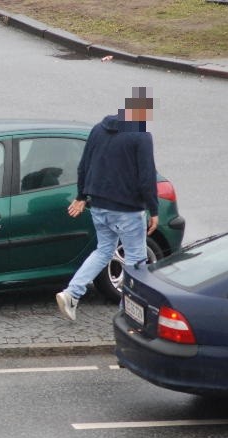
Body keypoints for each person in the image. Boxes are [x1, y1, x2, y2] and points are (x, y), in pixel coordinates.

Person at [56, 87, 159, 321]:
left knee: (103, 250)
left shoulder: (98, 130)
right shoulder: (141, 136)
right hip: (127, 209)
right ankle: (128, 311)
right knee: (136, 259)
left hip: (99, 205)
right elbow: (146, 177)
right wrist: (154, 210)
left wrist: (82, 196)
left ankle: (72, 293)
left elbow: (83, 165)